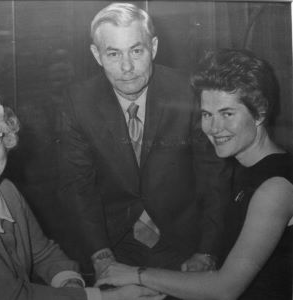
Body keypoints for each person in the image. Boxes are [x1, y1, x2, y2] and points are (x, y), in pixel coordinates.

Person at [0, 88, 164, 300]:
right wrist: (110, 297)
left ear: (5, 140)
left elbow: (42, 252)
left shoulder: (6, 190)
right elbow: (15, 297)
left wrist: (69, 282)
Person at [96, 49, 293, 300]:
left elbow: (225, 290)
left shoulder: (274, 188)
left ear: (260, 113)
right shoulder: (242, 171)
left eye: (227, 114)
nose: (213, 128)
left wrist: (136, 274)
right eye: (206, 114)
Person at [58, 2, 231, 283]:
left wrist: (207, 251)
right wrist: (101, 255)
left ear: (154, 47)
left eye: (136, 51)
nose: (127, 67)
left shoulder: (189, 91)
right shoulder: (78, 102)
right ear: (96, 55)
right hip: (112, 241)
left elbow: (215, 177)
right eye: (113, 53)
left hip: (185, 242)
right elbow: (77, 186)